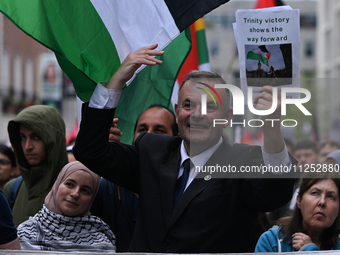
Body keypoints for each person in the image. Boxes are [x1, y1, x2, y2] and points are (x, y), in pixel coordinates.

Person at [74, 44, 296, 253]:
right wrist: (116, 82)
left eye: (210, 106)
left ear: (227, 117)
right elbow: (89, 151)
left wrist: (272, 131)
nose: (198, 114)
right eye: (190, 105)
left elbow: (274, 195)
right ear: (177, 111)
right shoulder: (151, 151)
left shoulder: (243, 161)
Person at [91, 104, 178, 252]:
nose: (148, 136)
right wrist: (101, 161)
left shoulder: (185, 186)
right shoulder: (107, 188)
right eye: (142, 130)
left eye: (159, 130)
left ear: (177, 139)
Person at [17, 161, 116, 252]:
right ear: (57, 185)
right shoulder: (26, 232)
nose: (75, 194)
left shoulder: (100, 242)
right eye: (70, 184)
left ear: (92, 199)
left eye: (85, 190)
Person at [3, 105, 68, 226]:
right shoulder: (12, 189)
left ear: (54, 139)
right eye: (22, 137)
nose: (28, 146)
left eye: (36, 137)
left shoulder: (76, 191)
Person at [255, 174, 340, 252]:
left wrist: (310, 250)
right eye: (315, 193)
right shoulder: (271, 240)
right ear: (299, 200)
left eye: (331, 196)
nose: (322, 202)